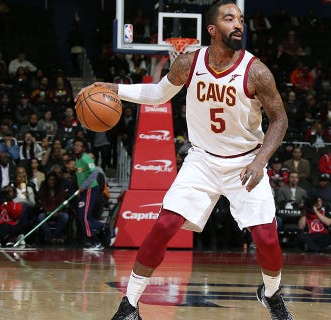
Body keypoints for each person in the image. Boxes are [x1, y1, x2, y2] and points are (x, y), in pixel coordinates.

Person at [76, 2, 293, 319]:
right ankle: (129, 306)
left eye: (241, 19)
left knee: (267, 239)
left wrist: (260, 161)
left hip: (245, 162)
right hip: (203, 161)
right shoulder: (189, 63)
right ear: (212, 29)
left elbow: (280, 121)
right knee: (164, 225)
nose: (238, 24)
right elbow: (157, 95)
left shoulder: (257, 71)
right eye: (229, 18)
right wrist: (112, 88)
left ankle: (271, 294)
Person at [72, 138, 104, 250]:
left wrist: (84, 187)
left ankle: (95, 242)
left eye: (79, 145)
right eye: (75, 145)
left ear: (83, 148)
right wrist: (80, 190)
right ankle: (105, 228)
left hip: (90, 189)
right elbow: (80, 176)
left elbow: (94, 172)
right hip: (83, 191)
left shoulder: (86, 158)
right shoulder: (77, 160)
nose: (76, 147)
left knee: (84, 217)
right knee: (84, 216)